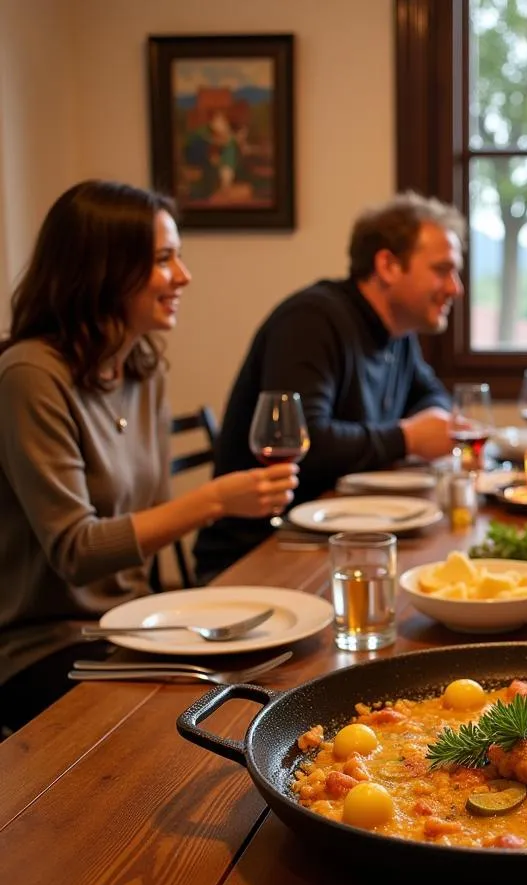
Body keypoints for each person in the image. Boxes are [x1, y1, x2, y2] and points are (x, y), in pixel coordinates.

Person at [0, 180, 298, 733]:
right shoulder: (30, 376)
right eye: (164, 259)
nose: (183, 276)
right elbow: (76, 550)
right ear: (102, 269)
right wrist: (214, 500)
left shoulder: (140, 368)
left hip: (133, 625)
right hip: (47, 647)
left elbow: (141, 533)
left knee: (277, 683)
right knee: (194, 731)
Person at [193, 192, 465, 579]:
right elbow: (307, 443)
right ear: (387, 265)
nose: (455, 288)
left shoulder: (398, 334)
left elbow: (431, 397)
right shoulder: (312, 320)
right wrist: (407, 439)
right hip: (261, 553)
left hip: (336, 542)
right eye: (442, 270)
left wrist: (427, 426)